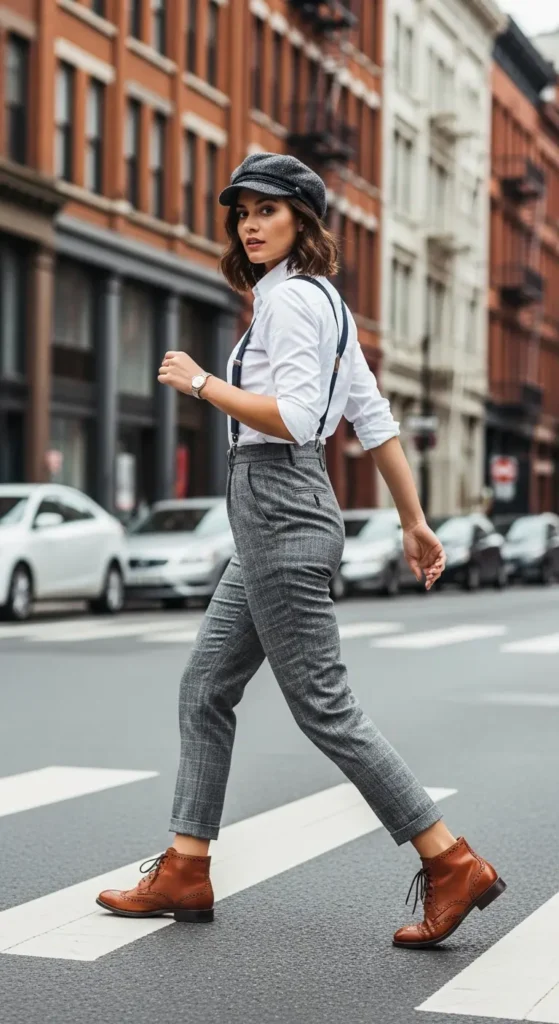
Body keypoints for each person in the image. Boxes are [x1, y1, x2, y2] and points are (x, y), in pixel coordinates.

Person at [96, 153, 506, 949]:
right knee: (204, 687)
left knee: (325, 709)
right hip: (277, 515)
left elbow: (296, 418)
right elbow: (376, 421)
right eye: (242, 211)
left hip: (280, 505)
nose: (250, 224)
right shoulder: (326, 305)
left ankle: (450, 861)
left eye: (269, 210)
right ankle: (186, 864)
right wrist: (413, 521)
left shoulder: (290, 308)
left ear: (302, 222)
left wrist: (201, 383)